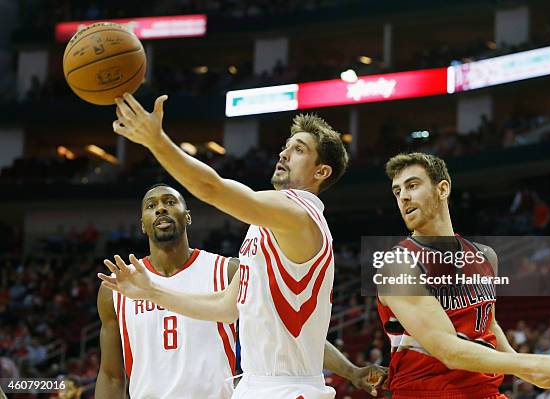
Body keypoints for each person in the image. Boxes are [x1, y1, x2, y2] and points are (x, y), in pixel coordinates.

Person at [99, 93, 386, 398]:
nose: (284, 154)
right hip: (254, 385)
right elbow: (226, 308)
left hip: (288, 388)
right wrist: (152, 292)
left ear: (321, 172)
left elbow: (211, 188)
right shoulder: (266, 225)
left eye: (298, 150)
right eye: (285, 147)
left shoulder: (299, 213)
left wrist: (156, 141)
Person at [376, 152, 550, 399]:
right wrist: (537, 364)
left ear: (443, 189)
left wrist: (529, 374)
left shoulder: (484, 256)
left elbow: (488, 325)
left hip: (485, 391)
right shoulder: (398, 264)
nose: (403, 196)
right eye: (397, 191)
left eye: (413, 185)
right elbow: (448, 350)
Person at [95, 184, 238, 399]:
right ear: (142, 225)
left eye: (170, 202)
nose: (161, 209)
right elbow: (111, 376)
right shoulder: (117, 287)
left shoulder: (227, 272)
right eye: (151, 205)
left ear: (188, 217)